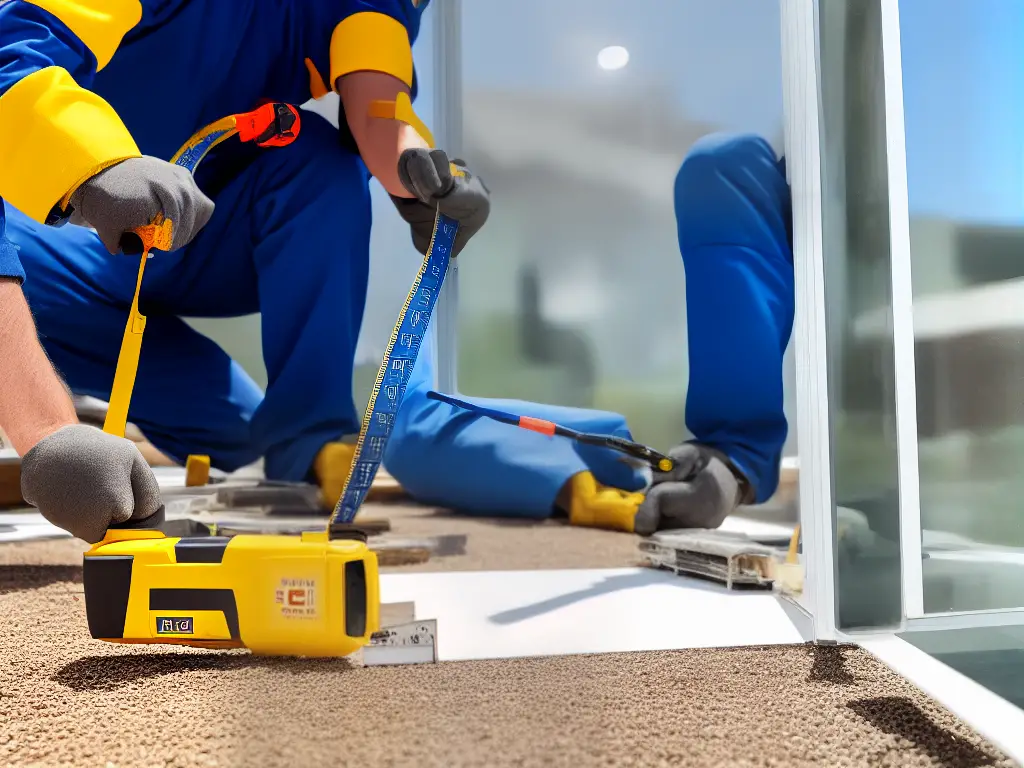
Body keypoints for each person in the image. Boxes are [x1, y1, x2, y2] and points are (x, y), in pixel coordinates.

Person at [0, 0, 489, 541]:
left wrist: (422, 180)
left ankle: (308, 439)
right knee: (217, 438)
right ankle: (54, 403)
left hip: (195, 233)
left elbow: (378, 112)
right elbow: (11, 53)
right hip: (49, 256)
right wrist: (95, 166)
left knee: (319, 164)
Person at [385, 133, 793, 535]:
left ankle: (735, 456)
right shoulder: (735, 178)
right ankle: (733, 456)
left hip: (618, 458)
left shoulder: (572, 350)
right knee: (723, 166)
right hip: (623, 460)